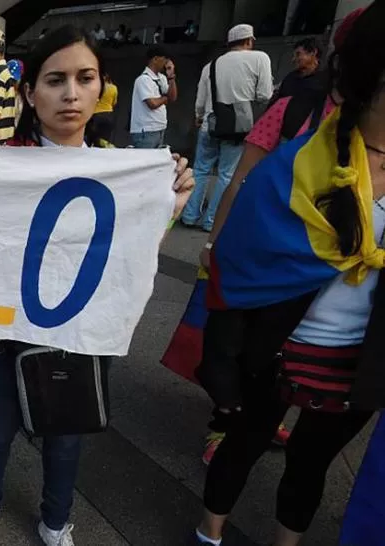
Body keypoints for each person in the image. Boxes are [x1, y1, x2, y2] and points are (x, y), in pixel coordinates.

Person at [0, 26, 194, 546]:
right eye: (55, 79)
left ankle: (56, 520)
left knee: (66, 435)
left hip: (78, 331)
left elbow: (133, 253)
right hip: (2, 328)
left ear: (102, 86)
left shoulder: (121, 166)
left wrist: (166, 209)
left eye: (84, 78)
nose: (70, 93)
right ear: (29, 93)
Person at [194, 4, 385, 545]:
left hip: (360, 360)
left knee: (311, 463)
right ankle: (209, 533)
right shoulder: (296, 162)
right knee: (245, 441)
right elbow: (243, 254)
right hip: (279, 347)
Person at [182, 23, 273, 232]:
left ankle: (189, 215)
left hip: (209, 124)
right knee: (226, 174)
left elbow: (200, 100)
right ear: (249, 41)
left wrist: (198, 116)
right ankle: (211, 220)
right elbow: (264, 95)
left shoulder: (211, 65)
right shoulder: (260, 58)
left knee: (201, 170)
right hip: (237, 127)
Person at [129, 45, 176, 148]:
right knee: (145, 162)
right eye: (164, 59)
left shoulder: (162, 78)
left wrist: (171, 77)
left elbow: (172, 97)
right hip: (146, 130)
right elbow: (152, 104)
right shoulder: (143, 79)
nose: (166, 63)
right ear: (155, 59)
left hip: (160, 127)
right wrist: (164, 98)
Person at [273, 37, 322, 104]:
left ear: (313, 52)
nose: (293, 60)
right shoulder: (290, 78)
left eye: (298, 54)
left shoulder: (323, 82)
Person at [89, 72, 117, 141]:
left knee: (93, 138)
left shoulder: (96, 87)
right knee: (106, 139)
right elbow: (114, 103)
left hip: (96, 115)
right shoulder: (113, 88)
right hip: (108, 115)